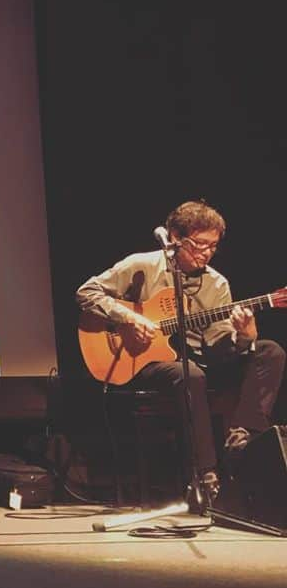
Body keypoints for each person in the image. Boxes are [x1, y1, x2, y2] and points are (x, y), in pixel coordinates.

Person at [76, 199, 285, 500]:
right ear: (175, 238)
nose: (206, 252)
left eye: (213, 246)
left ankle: (243, 439)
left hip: (199, 361)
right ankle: (205, 475)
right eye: (199, 244)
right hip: (142, 361)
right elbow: (86, 292)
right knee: (190, 375)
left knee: (270, 351)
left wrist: (244, 336)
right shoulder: (142, 265)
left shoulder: (216, 284)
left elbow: (217, 349)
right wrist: (129, 317)